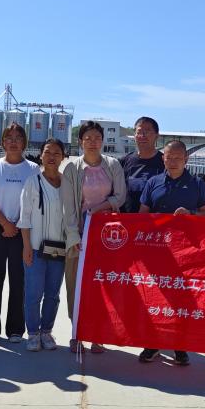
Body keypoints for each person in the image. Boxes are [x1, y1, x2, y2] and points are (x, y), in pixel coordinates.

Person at [137, 140, 205, 366]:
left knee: (182, 300)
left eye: (178, 157)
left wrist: (190, 214)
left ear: (186, 159)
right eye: (169, 157)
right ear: (163, 159)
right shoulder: (153, 182)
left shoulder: (197, 184)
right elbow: (142, 215)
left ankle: (180, 346)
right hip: (157, 251)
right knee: (154, 298)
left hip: (186, 253)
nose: (173, 161)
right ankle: (152, 343)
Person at [61, 121, 127, 353]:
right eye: (87, 138)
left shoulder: (113, 165)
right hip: (79, 235)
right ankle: (77, 332)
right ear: (80, 141)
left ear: (102, 141)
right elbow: (68, 207)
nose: (92, 142)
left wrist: (100, 207)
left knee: (102, 285)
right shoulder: (72, 168)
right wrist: (74, 236)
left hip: (106, 237)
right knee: (76, 285)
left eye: (96, 138)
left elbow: (120, 196)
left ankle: (97, 334)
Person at [0, 122, 39, 343]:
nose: (13, 142)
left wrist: (16, 225)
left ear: (24, 142)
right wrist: (5, 224)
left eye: (18, 138)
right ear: (3, 142)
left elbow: (33, 201)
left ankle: (15, 329)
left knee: (19, 280)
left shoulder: (33, 169)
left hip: (22, 230)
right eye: (9, 138)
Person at [18, 138, 68, 351]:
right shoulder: (33, 182)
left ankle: (46, 331)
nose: (52, 157)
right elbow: (25, 218)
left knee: (53, 294)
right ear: (41, 155)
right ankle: (33, 333)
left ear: (63, 157)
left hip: (59, 249)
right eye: (48, 152)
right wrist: (26, 246)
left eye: (57, 153)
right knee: (33, 293)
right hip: (36, 248)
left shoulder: (68, 183)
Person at [120, 116, 164, 213]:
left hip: (156, 219)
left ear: (157, 135)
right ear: (134, 135)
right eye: (139, 132)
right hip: (128, 218)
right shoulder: (124, 161)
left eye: (147, 131)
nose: (143, 135)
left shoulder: (165, 162)